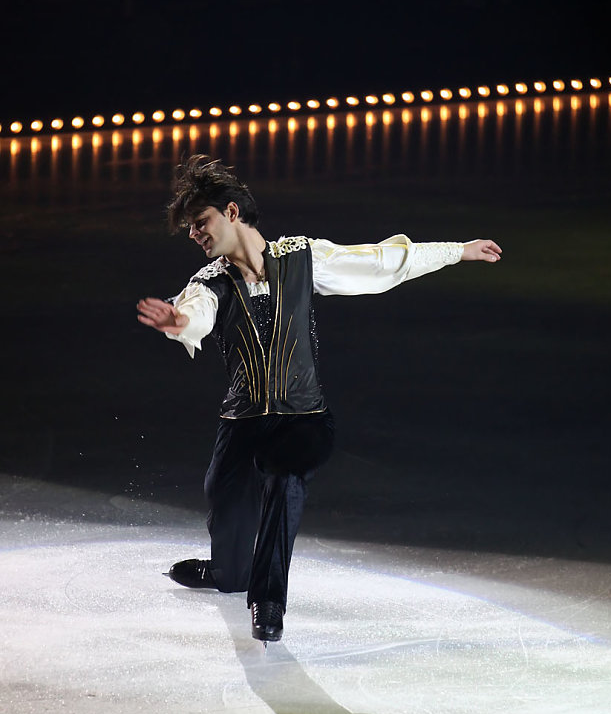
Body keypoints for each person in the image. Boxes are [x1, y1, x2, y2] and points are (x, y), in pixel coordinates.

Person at [137, 154, 502, 643]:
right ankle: (229, 571)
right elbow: (195, 315)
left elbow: (379, 262)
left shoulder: (302, 257)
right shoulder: (209, 283)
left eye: (199, 222)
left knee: (285, 481)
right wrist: (175, 323)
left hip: (304, 417)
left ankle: (268, 600)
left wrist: (459, 250)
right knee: (224, 501)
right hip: (243, 419)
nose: (193, 234)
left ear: (231, 213)